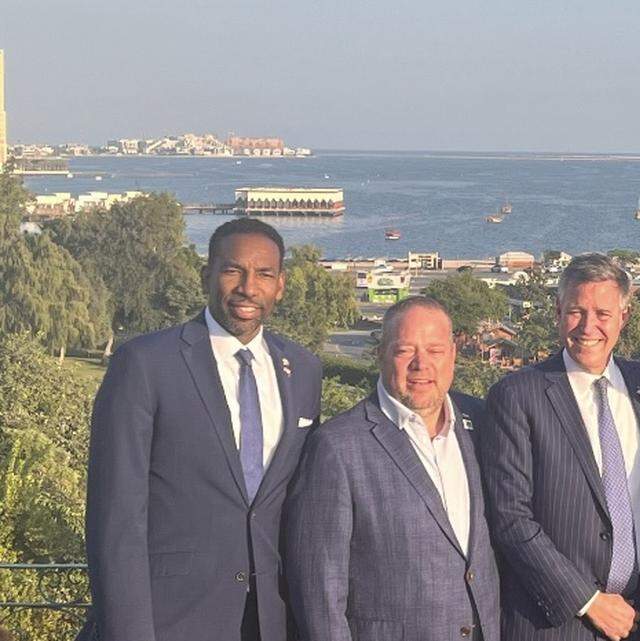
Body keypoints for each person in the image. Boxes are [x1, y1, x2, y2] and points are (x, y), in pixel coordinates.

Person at [80, 219, 322, 641]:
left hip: (272, 621)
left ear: (280, 285)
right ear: (205, 275)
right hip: (170, 620)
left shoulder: (303, 369)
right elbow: (116, 519)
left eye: (264, 274)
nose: (248, 287)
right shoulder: (145, 364)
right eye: (233, 270)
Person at [479, 254, 640, 641]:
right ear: (558, 312)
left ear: (624, 317)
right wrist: (588, 601)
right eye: (576, 312)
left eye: (603, 313)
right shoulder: (517, 396)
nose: (588, 327)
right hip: (557, 622)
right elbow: (510, 517)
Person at [285, 296, 500, 641]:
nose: (421, 364)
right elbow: (319, 590)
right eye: (404, 351)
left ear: (453, 354)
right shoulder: (337, 447)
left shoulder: (481, 420)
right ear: (381, 355)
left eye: (435, 350)